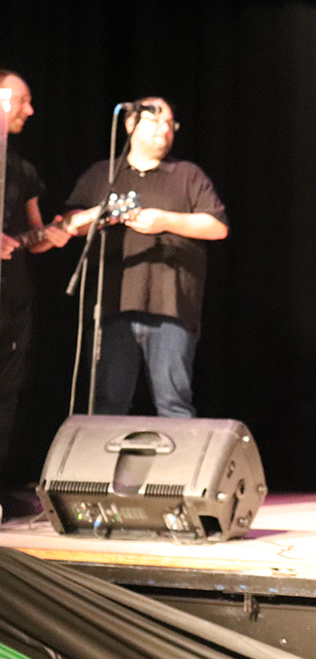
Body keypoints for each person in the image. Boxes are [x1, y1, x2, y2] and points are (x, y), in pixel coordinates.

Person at [63, 97, 227, 417]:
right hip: (112, 307)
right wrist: (101, 215)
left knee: (173, 403)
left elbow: (218, 227)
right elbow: (69, 224)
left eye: (170, 124)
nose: (165, 129)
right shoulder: (104, 174)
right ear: (130, 124)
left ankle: (179, 454)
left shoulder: (187, 175)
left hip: (171, 308)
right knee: (108, 404)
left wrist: (164, 221)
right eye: (156, 120)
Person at [0, 70, 71, 486]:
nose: (30, 110)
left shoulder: (22, 169)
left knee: (6, 395)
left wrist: (53, 235)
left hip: (12, 300)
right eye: (21, 100)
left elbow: (34, 235)